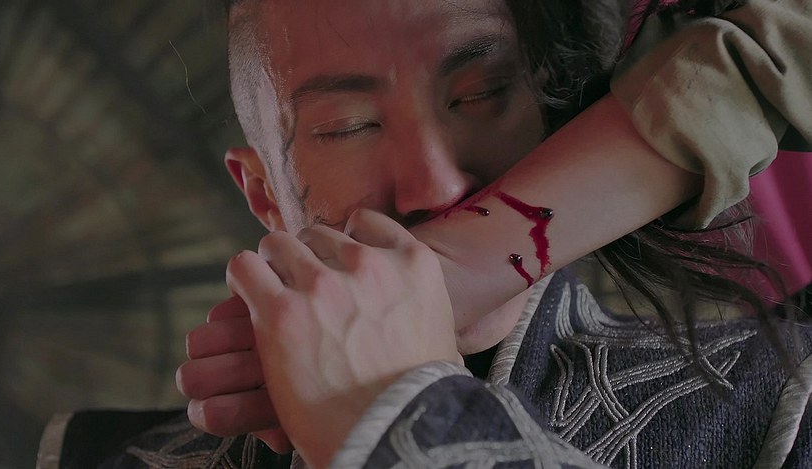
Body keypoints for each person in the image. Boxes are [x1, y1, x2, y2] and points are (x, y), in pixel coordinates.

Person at [55, 0, 810, 467]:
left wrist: (398, 410)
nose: (437, 184)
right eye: (347, 126)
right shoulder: (104, 458)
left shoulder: (774, 402)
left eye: (481, 95)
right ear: (262, 193)